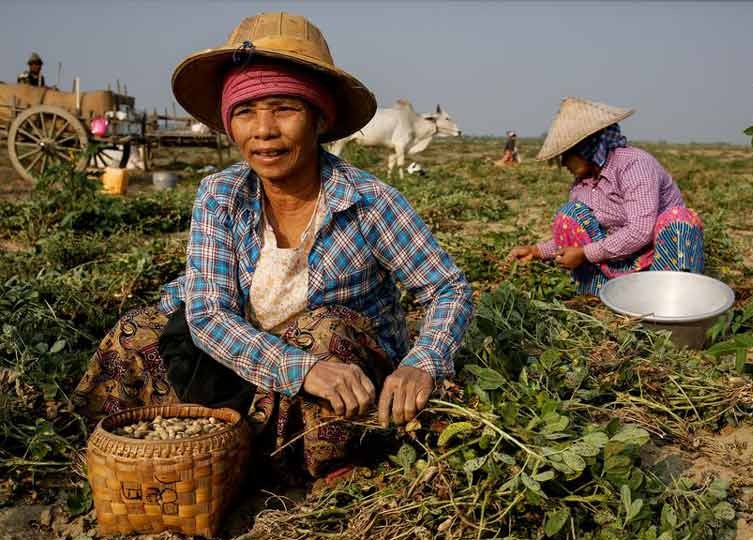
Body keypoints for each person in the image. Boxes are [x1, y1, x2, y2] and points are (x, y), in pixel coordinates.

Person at [73, 12, 473, 478]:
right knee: (137, 333)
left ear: (319, 119)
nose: (263, 130)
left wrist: (422, 363)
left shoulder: (367, 201)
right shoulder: (221, 195)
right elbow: (209, 315)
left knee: (325, 334)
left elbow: (447, 288)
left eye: (284, 108)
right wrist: (296, 368)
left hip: (343, 377)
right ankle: (154, 458)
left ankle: (312, 462)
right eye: (245, 112)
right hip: (256, 358)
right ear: (230, 124)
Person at [507, 97, 704, 296]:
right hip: (617, 257)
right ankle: (601, 295)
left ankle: (671, 298)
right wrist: (536, 251)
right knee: (570, 215)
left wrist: (585, 253)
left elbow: (640, 231)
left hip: (659, 256)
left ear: (585, 147)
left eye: (565, 155)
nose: (564, 163)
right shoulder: (582, 185)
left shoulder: (633, 165)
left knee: (678, 219)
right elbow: (580, 236)